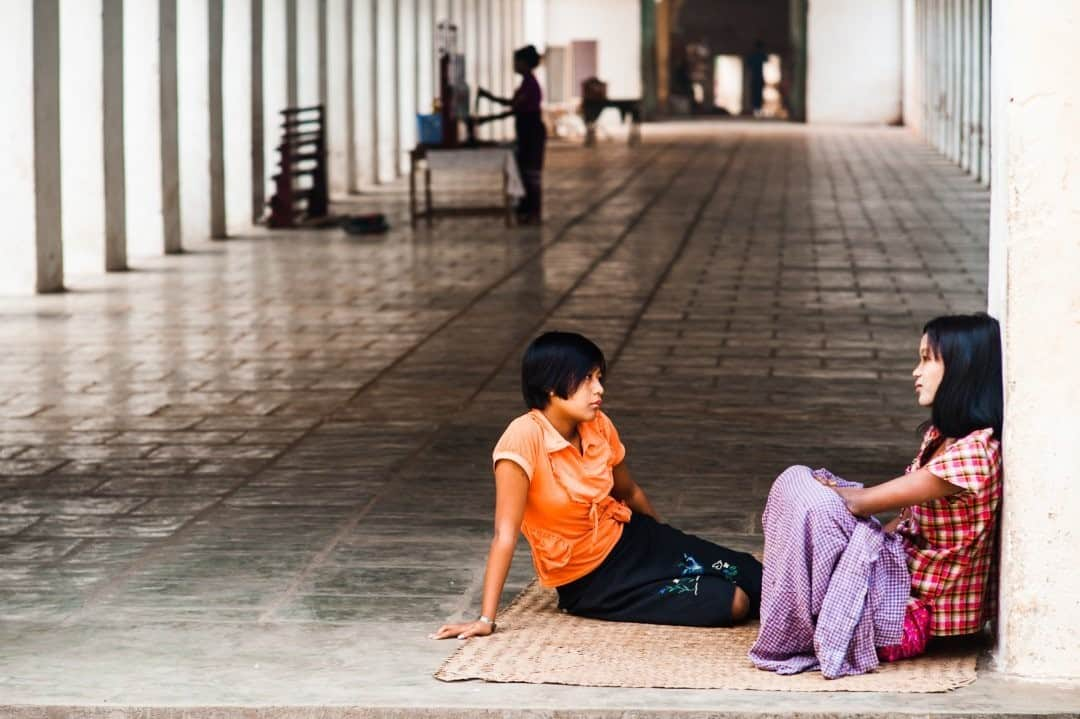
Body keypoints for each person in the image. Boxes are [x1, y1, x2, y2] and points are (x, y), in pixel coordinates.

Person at [432, 331, 763, 641]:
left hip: (631, 537)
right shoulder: (522, 439)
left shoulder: (597, 425)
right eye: (587, 378)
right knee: (731, 602)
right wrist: (486, 620)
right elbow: (504, 534)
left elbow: (629, 492)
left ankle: (813, 622)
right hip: (592, 580)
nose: (599, 389)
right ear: (551, 384)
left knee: (747, 571)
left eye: (599, 378)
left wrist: (667, 543)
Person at [750, 313, 1003, 677]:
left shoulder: (975, 454)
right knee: (804, 490)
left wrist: (826, 497)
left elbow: (859, 502)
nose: (916, 372)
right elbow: (903, 517)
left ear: (964, 368)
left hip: (911, 614)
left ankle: (800, 620)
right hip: (896, 579)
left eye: (928, 359)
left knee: (811, 497)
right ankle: (799, 612)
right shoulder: (943, 438)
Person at [476, 45, 546, 224]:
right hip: (526, 131)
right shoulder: (526, 83)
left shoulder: (530, 84)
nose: (514, 64)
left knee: (531, 174)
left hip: (532, 132)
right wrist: (489, 98)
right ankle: (527, 209)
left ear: (524, 63)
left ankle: (533, 212)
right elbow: (513, 104)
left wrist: (488, 118)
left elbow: (515, 109)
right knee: (524, 172)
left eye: (516, 61)